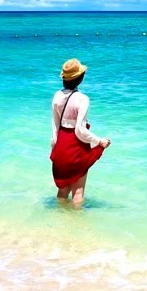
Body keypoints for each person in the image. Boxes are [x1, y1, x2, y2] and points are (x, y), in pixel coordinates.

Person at [49, 58, 110, 207]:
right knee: (78, 191)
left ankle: (58, 220)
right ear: (80, 78)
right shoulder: (82, 99)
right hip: (76, 146)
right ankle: (76, 226)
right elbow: (80, 129)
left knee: (62, 190)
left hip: (61, 145)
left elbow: (55, 126)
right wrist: (99, 141)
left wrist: (55, 148)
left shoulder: (57, 96)